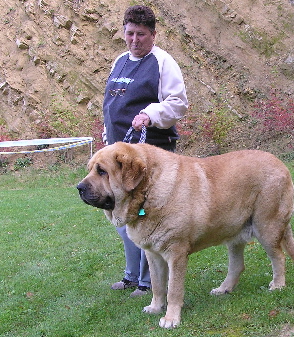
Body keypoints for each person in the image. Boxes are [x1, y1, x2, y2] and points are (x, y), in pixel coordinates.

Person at [102, 5, 188, 297]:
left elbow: (178, 103)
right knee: (121, 216)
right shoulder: (120, 61)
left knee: (146, 217)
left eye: (141, 34)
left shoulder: (163, 62)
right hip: (118, 160)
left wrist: (151, 113)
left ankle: (148, 282)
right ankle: (131, 276)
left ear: (153, 34)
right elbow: (112, 106)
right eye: (130, 33)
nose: (134, 40)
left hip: (151, 159)